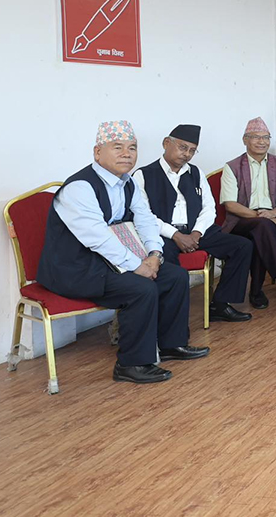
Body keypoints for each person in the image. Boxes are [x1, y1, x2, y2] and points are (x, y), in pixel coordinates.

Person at [36, 121, 208, 385]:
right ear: (98, 152)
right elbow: (99, 238)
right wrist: (137, 266)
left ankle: (172, 344)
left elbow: (145, 220)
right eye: (117, 147)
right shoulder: (79, 188)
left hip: (109, 263)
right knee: (141, 288)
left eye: (132, 148)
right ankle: (132, 364)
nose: (127, 154)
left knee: (174, 276)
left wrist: (155, 254)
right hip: (74, 268)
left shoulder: (128, 183)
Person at [133, 124, 254, 323]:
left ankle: (220, 304)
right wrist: (176, 235)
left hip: (197, 232)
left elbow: (209, 208)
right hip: (164, 235)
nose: (187, 154)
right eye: (183, 147)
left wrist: (196, 233)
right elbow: (144, 215)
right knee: (169, 266)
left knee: (242, 246)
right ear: (166, 143)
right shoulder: (143, 175)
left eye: (192, 150)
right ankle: (169, 320)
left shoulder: (196, 173)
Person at [220, 117, 276, 306]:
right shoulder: (232, 167)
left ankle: (257, 292)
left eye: (266, 137)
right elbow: (230, 205)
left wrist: (275, 212)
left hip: (273, 217)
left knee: (260, 236)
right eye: (256, 137)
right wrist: (263, 217)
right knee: (263, 227)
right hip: (241, 221)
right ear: (245, 140)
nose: (262, 141)